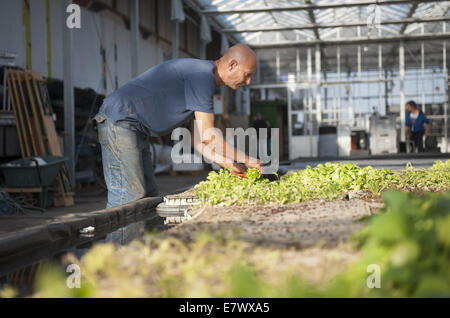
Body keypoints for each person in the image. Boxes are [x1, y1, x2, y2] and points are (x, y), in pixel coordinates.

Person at [94, 44, 262, 209]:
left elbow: (199, 141)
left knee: (149, 195)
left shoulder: (203, 80)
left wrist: (227, 163)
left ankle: (143, 237)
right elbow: (210, 137)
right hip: (120, 118)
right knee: (129, 197)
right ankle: (118, 237)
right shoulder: (201, 76)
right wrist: (247, 160)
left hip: (134, 127)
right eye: (247, 75)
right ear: (232, 65)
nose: (248, 82)